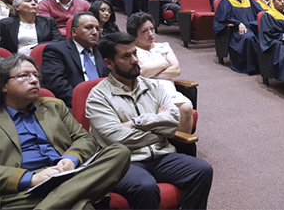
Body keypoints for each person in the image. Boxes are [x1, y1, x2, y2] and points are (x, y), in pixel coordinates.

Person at [86, 32, 213, 210]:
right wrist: (159, 128)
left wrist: (136, 122)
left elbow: (174, 121)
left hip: (161, 155)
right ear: (109, 63)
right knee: (145, 187)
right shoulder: (98, 96)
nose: (135, 60)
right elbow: (116, 138)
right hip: (124, 162)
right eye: (126, 56)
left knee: (202, 170)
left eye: (135, 53)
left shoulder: (152, 85)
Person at [0, 54, 131, 210]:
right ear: (3, 85)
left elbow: (84, 138)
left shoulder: (54, 107)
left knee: (119, 152)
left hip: (66, 176)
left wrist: (71, 158)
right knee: (82, 206)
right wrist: (31, 178)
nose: (34, 80)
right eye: (23, 76)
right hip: (24, 193)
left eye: (36, 75)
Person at [125, 13, 194, 133]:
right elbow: (141, 72)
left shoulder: (163, 46)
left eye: (152, 29)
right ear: (134, 36)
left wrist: (150, 72)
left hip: (168, 91)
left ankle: (182, 144)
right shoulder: (132, 51)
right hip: (146, 93)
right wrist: (164, 63)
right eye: (144, 31)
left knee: (187, 107)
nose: (151, 34)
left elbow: (176, 70)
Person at [40, 12, 109, 108]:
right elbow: (58, 85)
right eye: (88, 28)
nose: (94, 32)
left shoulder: (103, 50)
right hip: (74, 104)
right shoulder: (56, 51)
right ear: (74, 32)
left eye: (97, 29)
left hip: (107, 103)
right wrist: (86, 103)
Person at [213, 0, 260, 74]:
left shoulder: (248, 0)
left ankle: (264, 67)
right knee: (248, 38)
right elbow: (223, 17)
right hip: (235, 30)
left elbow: (259, 12)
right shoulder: (226, 1)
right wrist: (238, 23)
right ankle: (250, 67)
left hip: (252, 27)